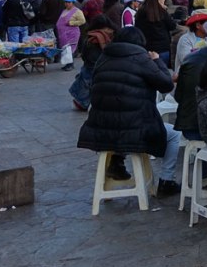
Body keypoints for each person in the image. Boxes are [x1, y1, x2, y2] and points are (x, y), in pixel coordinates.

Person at [76, 26, 182, 197]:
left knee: (122, 117)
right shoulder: (141, 58)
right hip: (135, 131)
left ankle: (117, 160)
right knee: (174, 135)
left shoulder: (103, 58)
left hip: (99, 130)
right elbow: (166, 84)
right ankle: (166, 181)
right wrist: (156, 60)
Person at [70, 14, 115, 111]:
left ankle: (83, 102)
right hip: (105, 65)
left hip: (91, 64)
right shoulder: (111, 34)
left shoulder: (92, 37)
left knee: (87, 83)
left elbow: (85, 54)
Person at [135, 0, 176, 66]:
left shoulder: (140, 12)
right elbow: (172, 26)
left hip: (146, 47)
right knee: (162, 72)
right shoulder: (162, 11)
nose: (164, 0)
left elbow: (137, 27)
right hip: (163, 48)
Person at [56, 0, 86, 71]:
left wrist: (71, 23)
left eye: (68, 2)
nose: (67, 4)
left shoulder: (77, 11)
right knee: (65, 49)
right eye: (66, 2)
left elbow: (82, 21)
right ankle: (67, 64)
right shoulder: (64, 10)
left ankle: (70, 64)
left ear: (73, 3)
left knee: (70, 49)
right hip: (63, 34)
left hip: (72, 33)